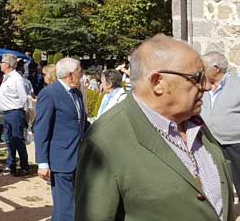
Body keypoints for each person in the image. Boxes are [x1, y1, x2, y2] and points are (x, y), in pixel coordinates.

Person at [75, 35, 234, 221]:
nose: (206, 86)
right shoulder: (106, 140)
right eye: (197, 78)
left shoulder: (195, 123)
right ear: (158, 82)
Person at [34, 57, 88, 221]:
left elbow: (82, 122)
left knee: (71, 206)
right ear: (71, 75)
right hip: (60, 160)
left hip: (78, 157)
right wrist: (42, 163)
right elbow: (41, 129)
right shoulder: (49, 94)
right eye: (80, 72)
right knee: (66, 207)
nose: (82, 76)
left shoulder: (76, 92)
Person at [201, 51, 240, 202]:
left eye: (205, 67)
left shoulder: (237, 84)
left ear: (216, 68)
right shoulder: (202, 86)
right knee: (215, 182)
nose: (201, 71)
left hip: (235, 143)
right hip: (209, 142)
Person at [0, 53, 30, 177]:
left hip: (15, 113)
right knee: (9, 140)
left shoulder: (16, 79)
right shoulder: (7, 77)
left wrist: (24, 115)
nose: (0, 64)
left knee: (17, 140)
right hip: (7, 113)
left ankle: (24, 166)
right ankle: (11, 164)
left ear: (8, 65)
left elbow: (23, 98)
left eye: (2, 62)